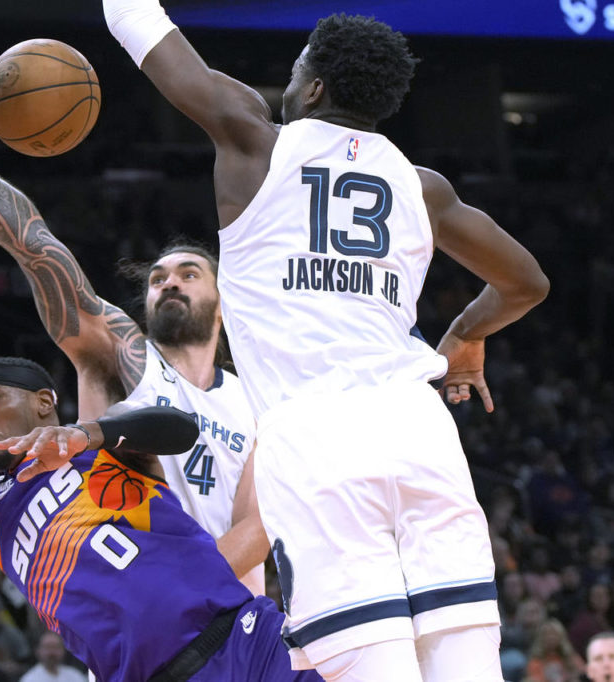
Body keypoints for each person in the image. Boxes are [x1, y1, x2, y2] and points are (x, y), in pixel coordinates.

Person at [100, 6, 550, 681]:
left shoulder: (256, 145)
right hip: (419, 430)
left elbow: (132, 17)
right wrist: (466, 334)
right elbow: (526, 282)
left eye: (294, 70)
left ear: (312, 88)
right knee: (465, 664)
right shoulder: (423, 187)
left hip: (314, 439)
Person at [0, 227, 323, 681]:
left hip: (243, 640)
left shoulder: (108, 443)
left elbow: (178, 428)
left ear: (43, 403)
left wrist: (88, 435)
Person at [0, 112, 266, 594]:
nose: (168, 282)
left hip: (234, 611)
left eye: (189, 274)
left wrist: (195, 592)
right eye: (156, 278)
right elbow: (34, 246)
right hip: (141, 612)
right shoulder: (123, 355)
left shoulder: (255, 399)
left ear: (223, 299)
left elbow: (262, 522)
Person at [20, 632, 87, 682]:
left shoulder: (75, 675)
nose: (52, 652)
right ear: (38, 651)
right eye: (48, 647)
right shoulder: (29, 679)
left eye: (56, 647)